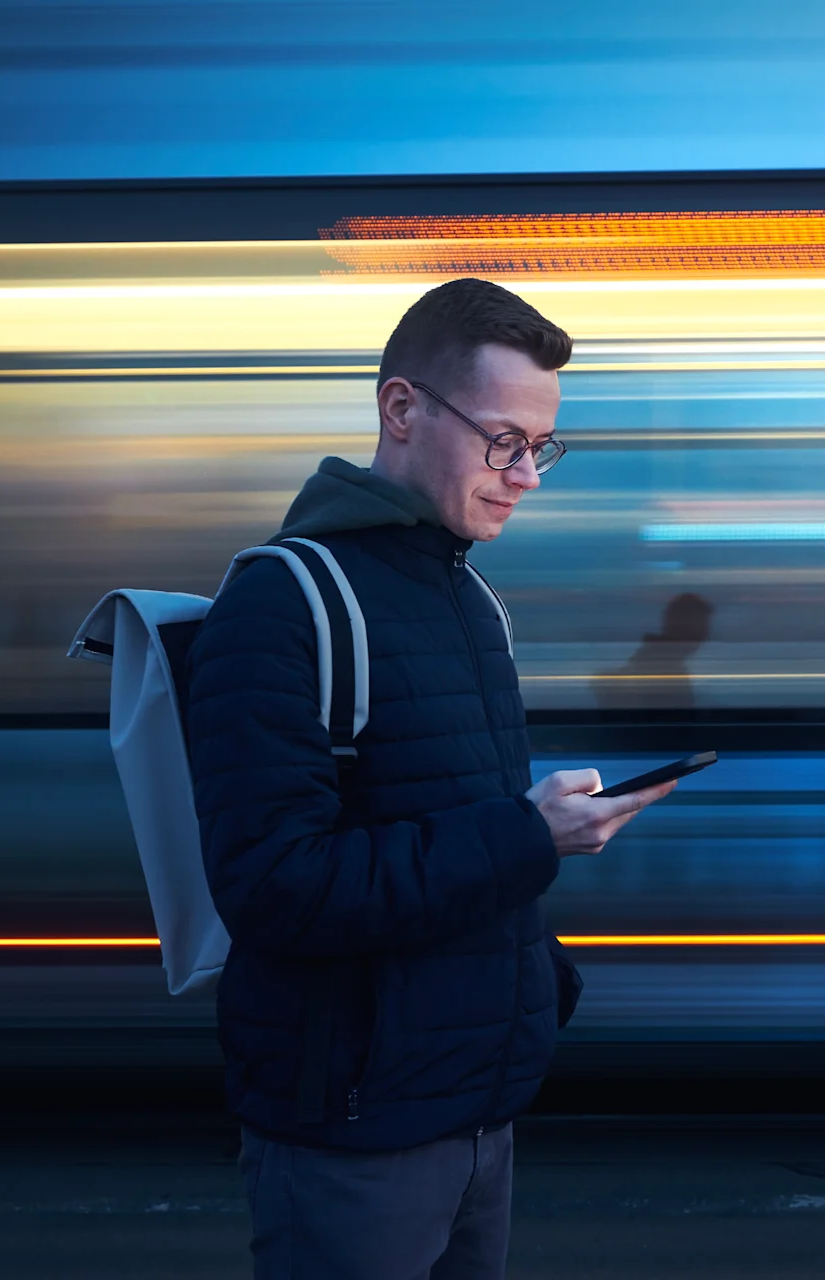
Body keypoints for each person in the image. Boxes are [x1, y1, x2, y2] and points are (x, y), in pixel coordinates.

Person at [186, 278, 676, 1279]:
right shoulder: (284, 602)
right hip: (355, 1131)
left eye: (541, 447)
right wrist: (528, 837)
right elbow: (273, 884)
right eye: (504, 440)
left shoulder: (471, 600)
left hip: (474, 1103)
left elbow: (454, 834)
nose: (527, 475)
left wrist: (533, 980)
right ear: (401, 409)